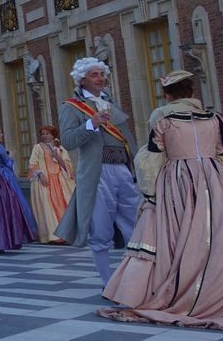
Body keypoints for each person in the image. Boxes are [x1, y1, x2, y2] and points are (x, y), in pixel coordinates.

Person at [100, 70, 223, 329]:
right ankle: (216, 288)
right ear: (192, 92)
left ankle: (178, 289)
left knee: (176, 236)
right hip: (214, 179)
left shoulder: (162, 117)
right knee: (215, 233)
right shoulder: (214, 118)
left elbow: (151, 157)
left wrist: (149, 193)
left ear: (168, 95)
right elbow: (222, 152)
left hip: (177, 180)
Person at [54, 57, 140, 287]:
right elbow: (68, 141)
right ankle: (107, 282)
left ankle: (136, 279)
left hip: (122, 169)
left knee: (135, 225)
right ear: (82, 80)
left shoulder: (110, 103)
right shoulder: (71, 106)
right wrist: (91, 124)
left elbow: (126, 139)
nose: (100, 78)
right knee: (100, 230)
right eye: (94, 75)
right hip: (98, 172)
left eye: (101, 74)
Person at [0, 122, 39, 237]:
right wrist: (11, 157)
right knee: (16, 202)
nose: (2, 135)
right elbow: (7, 162)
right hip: (5, 176)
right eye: (0, 132)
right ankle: (21, 231)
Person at [28, 125, 74, 243]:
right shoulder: (37, 148)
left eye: (47, 133)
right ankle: (52, 236)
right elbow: (33, 164)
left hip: (60, 181)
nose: (44, 136)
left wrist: (57, 156)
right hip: (45, 181)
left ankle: (67, 234)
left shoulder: (61, 148)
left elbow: (68, 166)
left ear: (53, 135)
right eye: (42, 134)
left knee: (65, 205)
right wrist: (41, 174)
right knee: (48, 207)